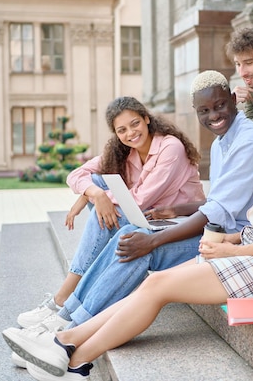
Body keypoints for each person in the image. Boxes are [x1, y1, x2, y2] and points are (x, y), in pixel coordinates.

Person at [2, 76, 253, 380]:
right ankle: (64, 345)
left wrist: (233, 249)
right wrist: (232, 238)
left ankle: (70, 351)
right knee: (153, 283)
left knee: (157, 287)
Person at [16, 97, 206, 329]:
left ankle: (63, 296)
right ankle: (68, 296)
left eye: (135, 124)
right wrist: (94, 193)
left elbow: (140, 199)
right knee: (99, 184)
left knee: (110, 209)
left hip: (181, 225)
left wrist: (96, 198)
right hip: (148, 218)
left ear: (147, 119)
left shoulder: (170, 147)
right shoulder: (125, 152)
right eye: (122, 130)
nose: (131, 133)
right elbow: (76, 175)